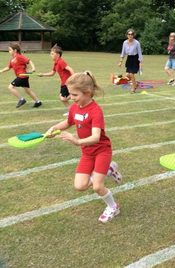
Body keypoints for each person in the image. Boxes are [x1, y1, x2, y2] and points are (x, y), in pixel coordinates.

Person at [46, 71, 122, 223]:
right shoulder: (75, 107)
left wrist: (76, 141)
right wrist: (53, 128)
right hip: (87, 153)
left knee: (97, 187)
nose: (71, 98)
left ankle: (113, 207)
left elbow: (95, 137)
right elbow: (68, 122)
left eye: (74, 95)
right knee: (80, 186)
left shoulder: (95, 111)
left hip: (101, 151)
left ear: (87, 93)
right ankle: (109, 169)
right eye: (70, 94)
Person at [0, 43, 42, 108]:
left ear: (15, 50)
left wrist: (33, 68)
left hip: (22, 76)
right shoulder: (12, 59)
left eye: (10, 50)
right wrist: (1, 71)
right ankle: (38, 102)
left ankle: (21, 99)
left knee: (10, 87)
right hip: (22, 76)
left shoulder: (19, 56)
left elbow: (29, 61)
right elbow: (8, 67)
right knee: (28, 90)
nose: (9, 51)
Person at [38, 45, 74, 114]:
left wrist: (73, 78)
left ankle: (73, 97)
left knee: (63, 98)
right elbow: (52, 73)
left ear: (57, 55)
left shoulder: (60, 62)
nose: (50, 55)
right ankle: (71, 110)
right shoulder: (56, 63)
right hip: (63, 83)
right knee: (62, 98)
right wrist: (42, 74)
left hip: (67, 83)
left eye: (52, 54)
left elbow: (70, 69)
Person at [118, 29, 143, 93]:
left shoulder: (137, 43)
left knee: (131, 74)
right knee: (127, 75)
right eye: (129, 34)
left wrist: (140, 62)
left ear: (133, 35)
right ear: (127, 35)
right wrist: (120, 62)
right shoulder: (125, 42)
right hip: (129, 59)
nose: (130, 35)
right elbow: (123, 53)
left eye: (132, 34)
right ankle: (135, 84)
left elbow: (140, 53)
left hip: (135, 59)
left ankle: (133, 88)